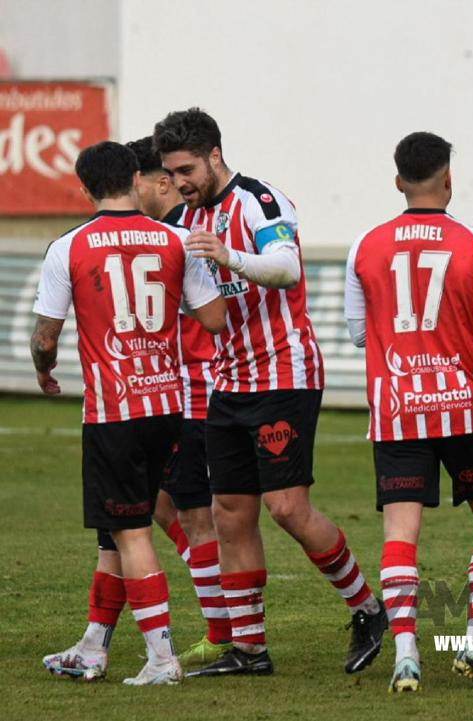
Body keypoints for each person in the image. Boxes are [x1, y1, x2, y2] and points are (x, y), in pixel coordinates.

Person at [153, 108, 387, 677]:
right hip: (226, 380)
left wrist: (228, 256)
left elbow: (285, 269)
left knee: (287, 508)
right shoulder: (188, 218)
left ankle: (368, 608)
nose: (179, 182)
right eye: (170, 172)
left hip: (284, 373)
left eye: (186, 169)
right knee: (229, 513)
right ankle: (250, 651)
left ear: (213, 156)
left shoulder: (261, 201)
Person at [33, 141, 226, 685]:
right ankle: (94, 646)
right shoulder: (174, 241)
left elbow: (46, 337)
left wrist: (43, 369)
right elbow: (214, 318)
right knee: (116, 530)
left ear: (85, 187)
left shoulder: (69, 246)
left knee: (131, 532)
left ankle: (162, 661)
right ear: (137, 178)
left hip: (114, 410)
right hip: (169, 404)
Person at [345, 132, 473, 692]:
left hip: (398, 409)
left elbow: (355, 333)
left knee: (402, 532)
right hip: (464, 406)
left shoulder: (366, 245)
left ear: (398, 181)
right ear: (449, 179)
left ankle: (406, 654)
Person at [127, 135, 231, 665]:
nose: (131, 193)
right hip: (177, 392)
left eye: (136, 182)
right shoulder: (174, 236)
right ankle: (223, 614)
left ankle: (222, 629)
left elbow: (212, 316)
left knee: (196, 515)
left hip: (195, 392)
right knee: (168, 507)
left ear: (160, 183)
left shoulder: (177, 240)